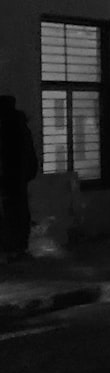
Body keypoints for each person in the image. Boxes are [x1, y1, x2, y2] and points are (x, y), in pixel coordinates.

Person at [0, 96, 39, 262]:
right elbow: (30, 156)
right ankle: (18, 248)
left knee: (9, 215)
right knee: (19, 214)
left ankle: (10, 249)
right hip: (18, 179)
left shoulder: (5, 128)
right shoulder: (21, 127)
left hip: (8, 179)